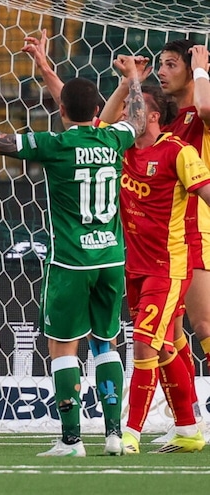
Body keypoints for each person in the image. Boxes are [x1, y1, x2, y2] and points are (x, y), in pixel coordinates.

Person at [0, 56, 146, 456]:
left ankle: (71, 439)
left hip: (71, 262)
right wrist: (131, 81)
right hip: (111, 259)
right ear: (99, 112)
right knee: (106, 342)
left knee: (63, 347)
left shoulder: (55, 145)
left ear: (60, 110)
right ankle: (114, 435)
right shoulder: (114, 138)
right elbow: (139, 121)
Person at [99, 82, 210, 454]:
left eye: (135, 106)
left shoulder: (179, 152)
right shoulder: (121, 148)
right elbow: (97, 121)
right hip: (135, 267)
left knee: (145, 344)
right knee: (165, 345)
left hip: (169, 267)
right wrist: (126, 82)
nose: (126, 112)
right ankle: (189, 429)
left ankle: (129, 434)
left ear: (153, 116)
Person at [155, 39, 210, 443]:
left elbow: (206, 107)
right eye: (161, 64)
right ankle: (188, 422)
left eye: (171, 64)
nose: (162, 71)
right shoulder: (170, 122)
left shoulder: (202, 114)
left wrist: (203, 66)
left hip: (201, 228)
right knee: (165, 330)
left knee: (204, 323)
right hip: (167, 237)